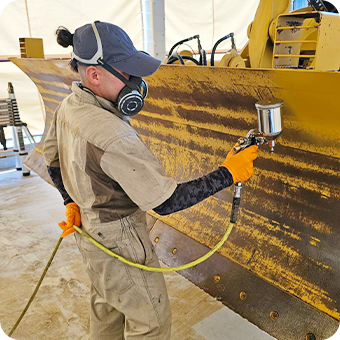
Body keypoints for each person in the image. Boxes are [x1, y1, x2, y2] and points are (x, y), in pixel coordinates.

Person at [43, 21, 258, 340]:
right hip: (121, 238)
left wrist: (70, 201)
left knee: (108, 309)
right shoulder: (112, 134)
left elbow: (51, 159)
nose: (136, 82)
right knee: (151, 324)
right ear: (94, 74)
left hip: (89, 232)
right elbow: (166, 201)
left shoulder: (69, 106)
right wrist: (229, 172)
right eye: (127, 73)